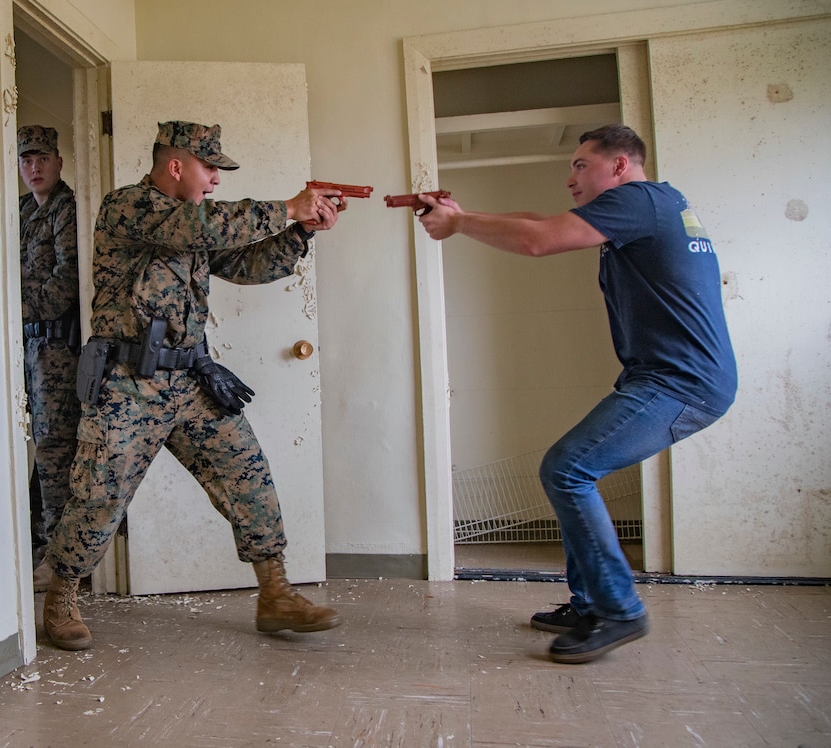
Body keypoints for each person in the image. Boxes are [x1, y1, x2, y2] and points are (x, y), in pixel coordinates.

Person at [418, 124, 737, 664]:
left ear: (619, 165)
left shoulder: (640, 199)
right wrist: (462, 217)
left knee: (567, 468)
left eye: (581, 165)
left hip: (682, 382)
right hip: (665, 376)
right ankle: (589, 601)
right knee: (572, 468)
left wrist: (460, 224)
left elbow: (536, 242)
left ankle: (618, 610)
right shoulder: (652, 206)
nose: (569, 177)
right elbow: (542, 224)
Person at [41, 121, 346, 651]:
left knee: (246, 474)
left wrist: (302, 232)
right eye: (210, 170)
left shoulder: (197, 226)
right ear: (176, 165)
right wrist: (290, 207)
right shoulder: (129, 207)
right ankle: (62, 596)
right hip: (127, 383)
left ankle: (275, 594)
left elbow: (247, 263)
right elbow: (197, 227)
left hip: (191, 375)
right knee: (98, 494)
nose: (216, 181)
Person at [17, 125, 81, 593]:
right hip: (28, 346)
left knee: (56, 449)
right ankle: (41, 547)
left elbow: (64, 288)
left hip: (59, 348)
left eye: (41, 158)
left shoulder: (67, 209)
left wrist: (14, 300)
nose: (34, 167)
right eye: (25, 160)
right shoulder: (21, 210)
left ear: (59, 161)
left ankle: (59, 561)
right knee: (36, 451)